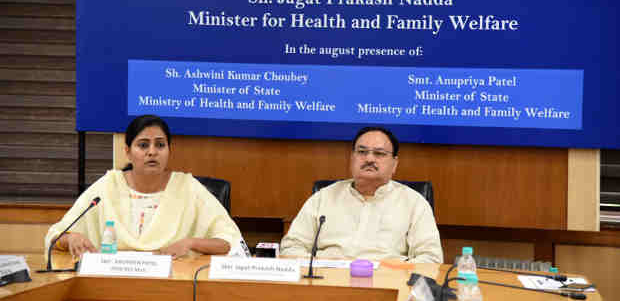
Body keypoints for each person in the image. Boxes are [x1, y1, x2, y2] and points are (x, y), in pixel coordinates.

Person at [45, 114, 242, 259]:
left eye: (160, 145)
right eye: (143, 145)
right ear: (128, 152)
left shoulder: (187, 188)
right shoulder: (108, 186)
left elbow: (229, 241)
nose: (152, 152)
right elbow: (56, 236)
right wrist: (72, 238)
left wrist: (191, 243)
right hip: (113, 282)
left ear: (169, 151)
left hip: (172, 285)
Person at [280, 127, 443, 263]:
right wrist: (320, 266)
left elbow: (431, 258)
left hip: (390, 286)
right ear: (352, 158)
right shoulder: (324, 198)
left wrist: (393, 272)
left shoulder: (414, 203)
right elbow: (292, 247)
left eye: (379, 153)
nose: (369, 158)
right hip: (330, 282)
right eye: (362, 151)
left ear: (394, 164)